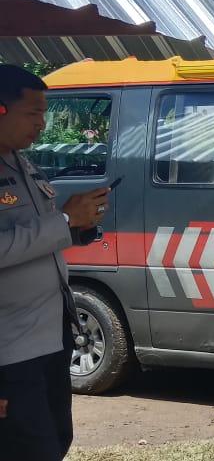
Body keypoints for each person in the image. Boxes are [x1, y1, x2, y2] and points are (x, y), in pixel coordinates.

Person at [0, 64, 109, 461]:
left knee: (56, 439)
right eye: (33, 113)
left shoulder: (22, 164)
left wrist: (78, 226)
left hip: (50, 336)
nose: (42, 125)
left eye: (44, 114)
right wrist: (63, 220)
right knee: (29, 448)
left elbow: (33, 236)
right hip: (10, 349)